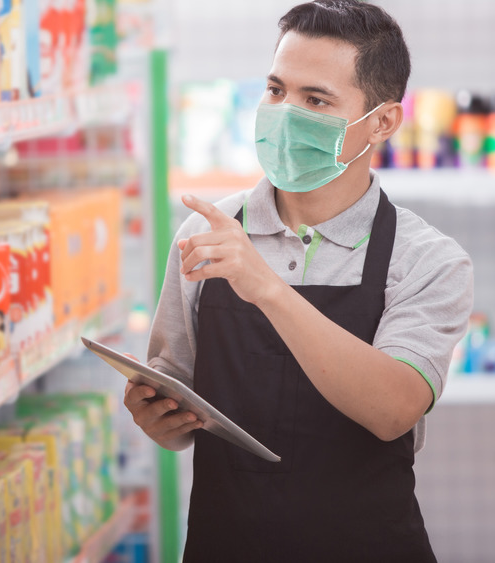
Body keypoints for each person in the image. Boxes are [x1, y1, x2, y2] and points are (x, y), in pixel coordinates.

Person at [123, 1, 474, 561]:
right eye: (275, 89)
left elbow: (392, 411)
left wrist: (265, 285)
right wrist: (158, 418)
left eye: (315, 100)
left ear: (381, 122)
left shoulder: (426, 260)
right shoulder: (207, 233)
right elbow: (177, 405)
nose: (285, 113)